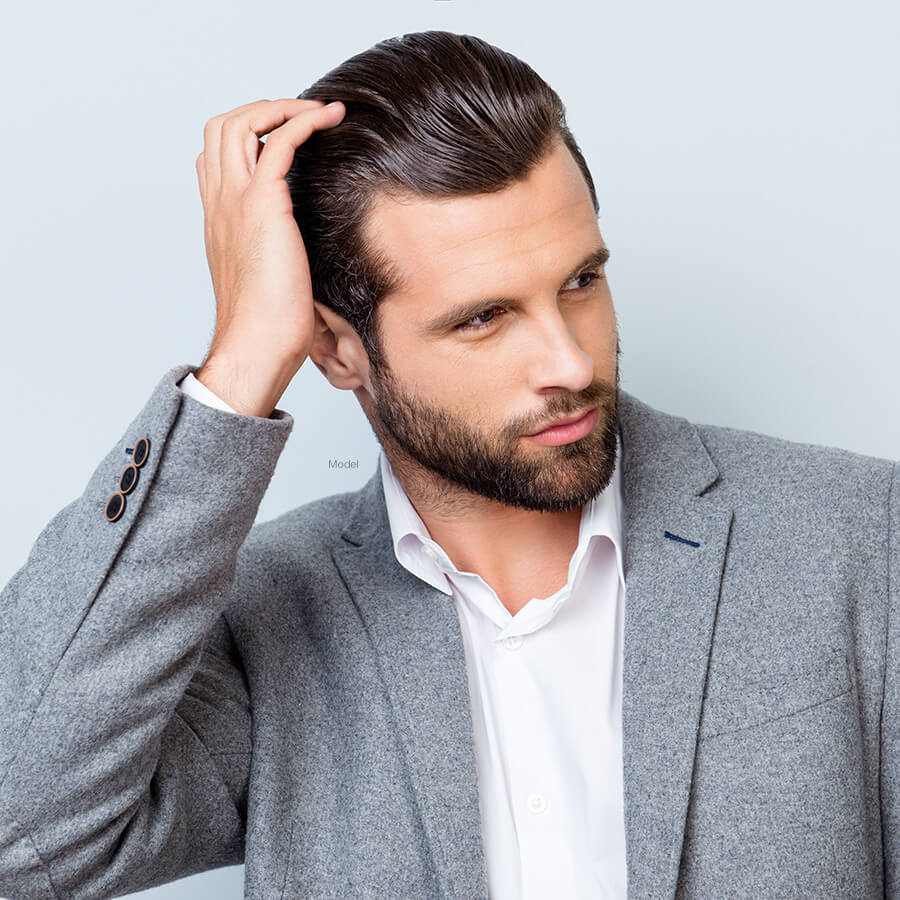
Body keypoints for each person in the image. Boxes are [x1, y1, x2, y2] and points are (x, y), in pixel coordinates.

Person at [0, 28, 896, 900]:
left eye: (581, 282)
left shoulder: (862, 540)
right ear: (338, 352)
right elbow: (19, 832)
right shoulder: (264, 625)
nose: (571, 365)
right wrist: (237, 369)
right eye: (483, 318)